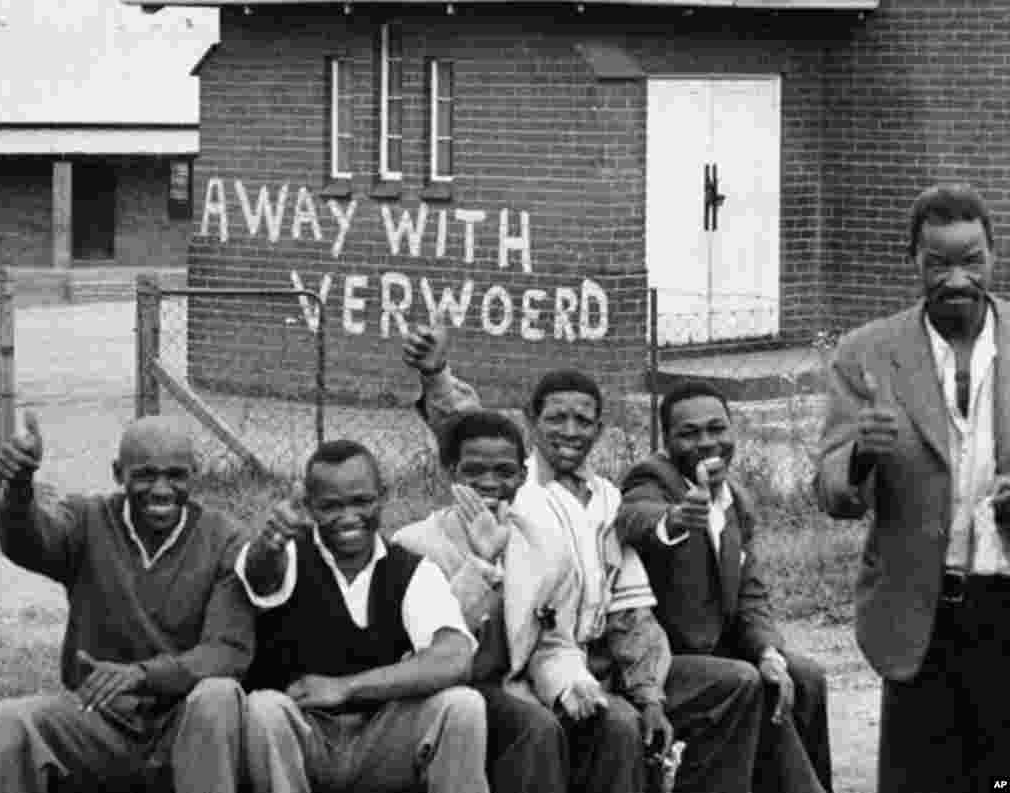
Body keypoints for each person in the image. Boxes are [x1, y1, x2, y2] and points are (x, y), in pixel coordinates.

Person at [404, 326, 675, 793]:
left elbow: (623, 616)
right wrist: (436, 376)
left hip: (577, 655)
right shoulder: (518, 494)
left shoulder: (606, 499)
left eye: (583, 421)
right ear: (532, 423)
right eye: (556, 419)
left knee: (620, 725)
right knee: (540, 726)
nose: (569, 432)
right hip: (505, 671)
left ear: (600, 429)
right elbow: (468, 427)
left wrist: (641, 691)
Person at [816, 183, 1010, 793]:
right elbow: (830, 490)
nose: (956, 278)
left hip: (1005, 602)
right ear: (913, 261)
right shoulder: (867, 353)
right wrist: (860, 457)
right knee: (920, 781)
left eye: (971, 259)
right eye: (938, 263)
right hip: (918, 612)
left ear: (994, 255)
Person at [0, 413, 254, 793]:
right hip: (98, 721)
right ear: (117, 473)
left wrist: (143, 674)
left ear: (195, 475)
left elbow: (227, 653)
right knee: (14, 721)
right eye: (145, 475)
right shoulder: (87, 520)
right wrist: (17, 486)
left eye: (176, 475)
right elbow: (27, 542)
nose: (161, 490)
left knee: (218, 696)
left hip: (182, 724)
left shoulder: (225, 538)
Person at [237, 439, 488, 793]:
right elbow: (260, 574)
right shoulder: (288, 554)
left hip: (382, 739)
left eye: (361, 502)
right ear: (309, 506)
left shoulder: (412, 570)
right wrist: (269, 544)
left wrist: (346, 687)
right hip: (305, 735)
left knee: (462, 705)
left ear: (382, 496)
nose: (349, 517)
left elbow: (454, 658)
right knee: (264, 708)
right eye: (330, 506)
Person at [618, 379, 832, 793]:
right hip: (666, 661)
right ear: (667, 441)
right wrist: (674, 519)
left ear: (734, 430)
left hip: (720, 650)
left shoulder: (736, 499)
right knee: (741, 681)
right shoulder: (653, 479)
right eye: (689, 433)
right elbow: (635, 516)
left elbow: (750, 592)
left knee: (803, 676)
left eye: (717, 429)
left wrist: (767, 651)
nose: (706, 442)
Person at [389, 410, 570, 793]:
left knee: (608, 722)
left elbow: (554, 640)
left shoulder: (545, 545)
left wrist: (571, 684)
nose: (490, 483)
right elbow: (428, 646)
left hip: (514, 684)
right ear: (451, 472)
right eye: (474, 471)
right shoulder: (414, 545)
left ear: (523, 476)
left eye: (504, 472)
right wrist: (483, 563)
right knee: (534, 727)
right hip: (445, 690)